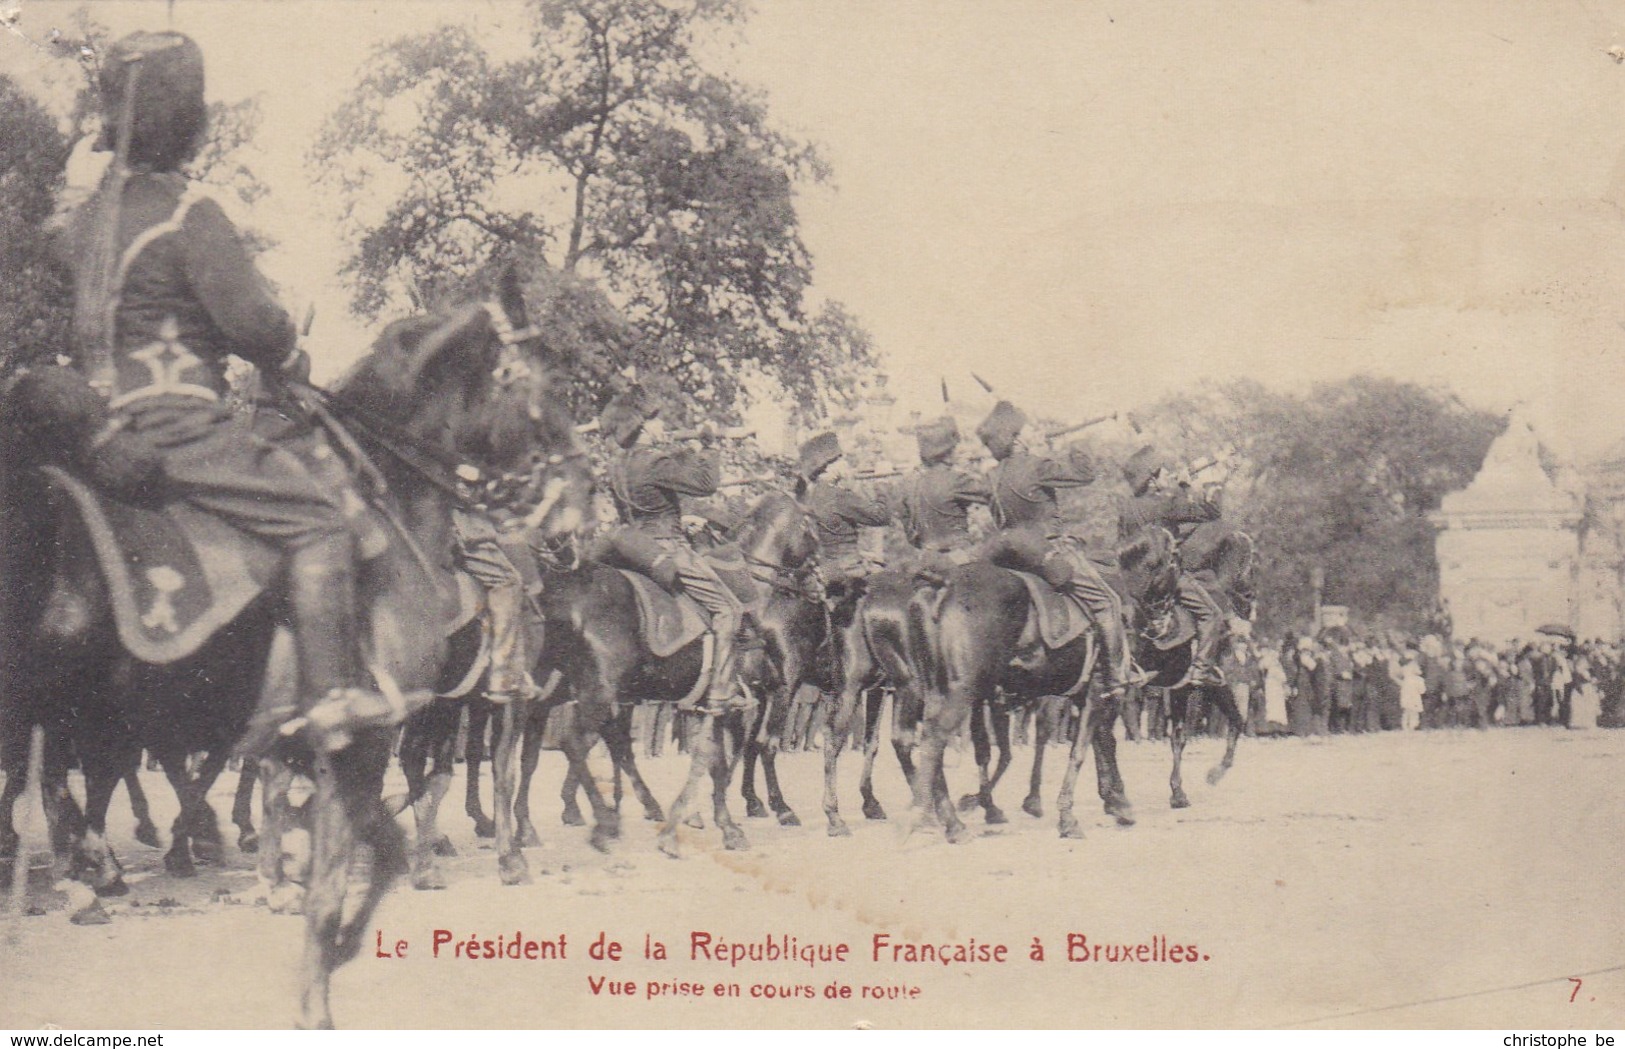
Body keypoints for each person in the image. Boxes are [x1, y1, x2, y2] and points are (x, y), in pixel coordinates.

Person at [59, 31, 386, 751]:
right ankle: (329, 697)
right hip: (180, 429)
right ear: (189, 121)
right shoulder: (188, 212)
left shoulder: (85, 223)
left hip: (95, 430)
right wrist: (291, 353)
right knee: (322, 518)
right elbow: (254, 324)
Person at [974, 400, 1141, 695]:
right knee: (1108, 602)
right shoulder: (1037, 465)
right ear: (1017, 437)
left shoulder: (991, 477)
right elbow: (1085, 473)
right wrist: (1070, 443)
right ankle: (1117, 676)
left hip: (1008, 557)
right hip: (1047, 549)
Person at [600, 391, 747, 714]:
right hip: (666, 546)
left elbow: (643, 509)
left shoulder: (616, 464)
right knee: (729, 611)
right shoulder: (654, 461)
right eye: (657, 420)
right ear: (643, 426)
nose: (663, 425)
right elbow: (706, 483)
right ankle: (722, 691)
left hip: (629, 549)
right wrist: (708, 447)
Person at [1117, 446, 1227, 688]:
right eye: (1164, 472)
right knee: (1213, 615)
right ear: (1153, 479)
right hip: (1163, 578)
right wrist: (1193, 486)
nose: (1170, 475)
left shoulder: (1127, 506)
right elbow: (1211, 512)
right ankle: (1202, 669)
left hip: (1135, 580)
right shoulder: (1165, 503)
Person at [451, 466, 538, 704]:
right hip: (458, 532)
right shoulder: (462, 503)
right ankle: (504, 677)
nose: (465, 488)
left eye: (470, 485)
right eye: (463, 483)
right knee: (509, 582)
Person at [798, 431, 891, 603]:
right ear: (832, 466)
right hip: (848, 567)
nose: (848, 466)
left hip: (826, 565)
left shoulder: (812, 494)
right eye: (843, 461)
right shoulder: (838, 496)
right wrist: (882, 483)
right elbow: (881, 516)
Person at [895, 416, 990, 578]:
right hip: (959, 557)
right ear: (948, 452)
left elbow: (910, 534)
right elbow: (992, 494)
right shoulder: (956, 479)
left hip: (926, 559)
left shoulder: (908, 484)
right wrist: (970, 470)